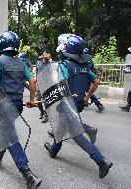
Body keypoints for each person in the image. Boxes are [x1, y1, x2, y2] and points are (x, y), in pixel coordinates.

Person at [44, 35, 113, 179]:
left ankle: (101, 161)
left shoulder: (64, 65)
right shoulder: (85, 66)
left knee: (76, 134)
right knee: (62, 126)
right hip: (80, 103)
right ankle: (54, 149)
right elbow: (96, 82)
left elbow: (61, 86)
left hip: (68, 104)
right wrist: (87, 97)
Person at [0, 31, 42, 189]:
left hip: (3, 104)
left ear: (1, 45)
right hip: (18, 105)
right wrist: (32, 100)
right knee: (6, 130)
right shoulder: (21, 63)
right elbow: (32, 81)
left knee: (10, 135)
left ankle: (28, 174)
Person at [83, 48, 105, 112]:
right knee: (86, 90)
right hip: (89, 77)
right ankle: (85, 102)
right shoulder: (90, 60)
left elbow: (86, 70)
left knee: (88, 90)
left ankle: (99, 104)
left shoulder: (86, 61)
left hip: (87, 78)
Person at [35, 50, 51, 124]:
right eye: (46, 53)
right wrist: (36, 84)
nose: (47, 55)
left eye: (48, 53)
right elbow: (37, 74)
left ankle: (46, 115)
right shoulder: (38, 63)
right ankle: (42, 111)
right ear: (43, 54)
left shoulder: (51, 64)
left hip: (48, 84)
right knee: (38, 101)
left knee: (46, 101)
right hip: (40, 84)